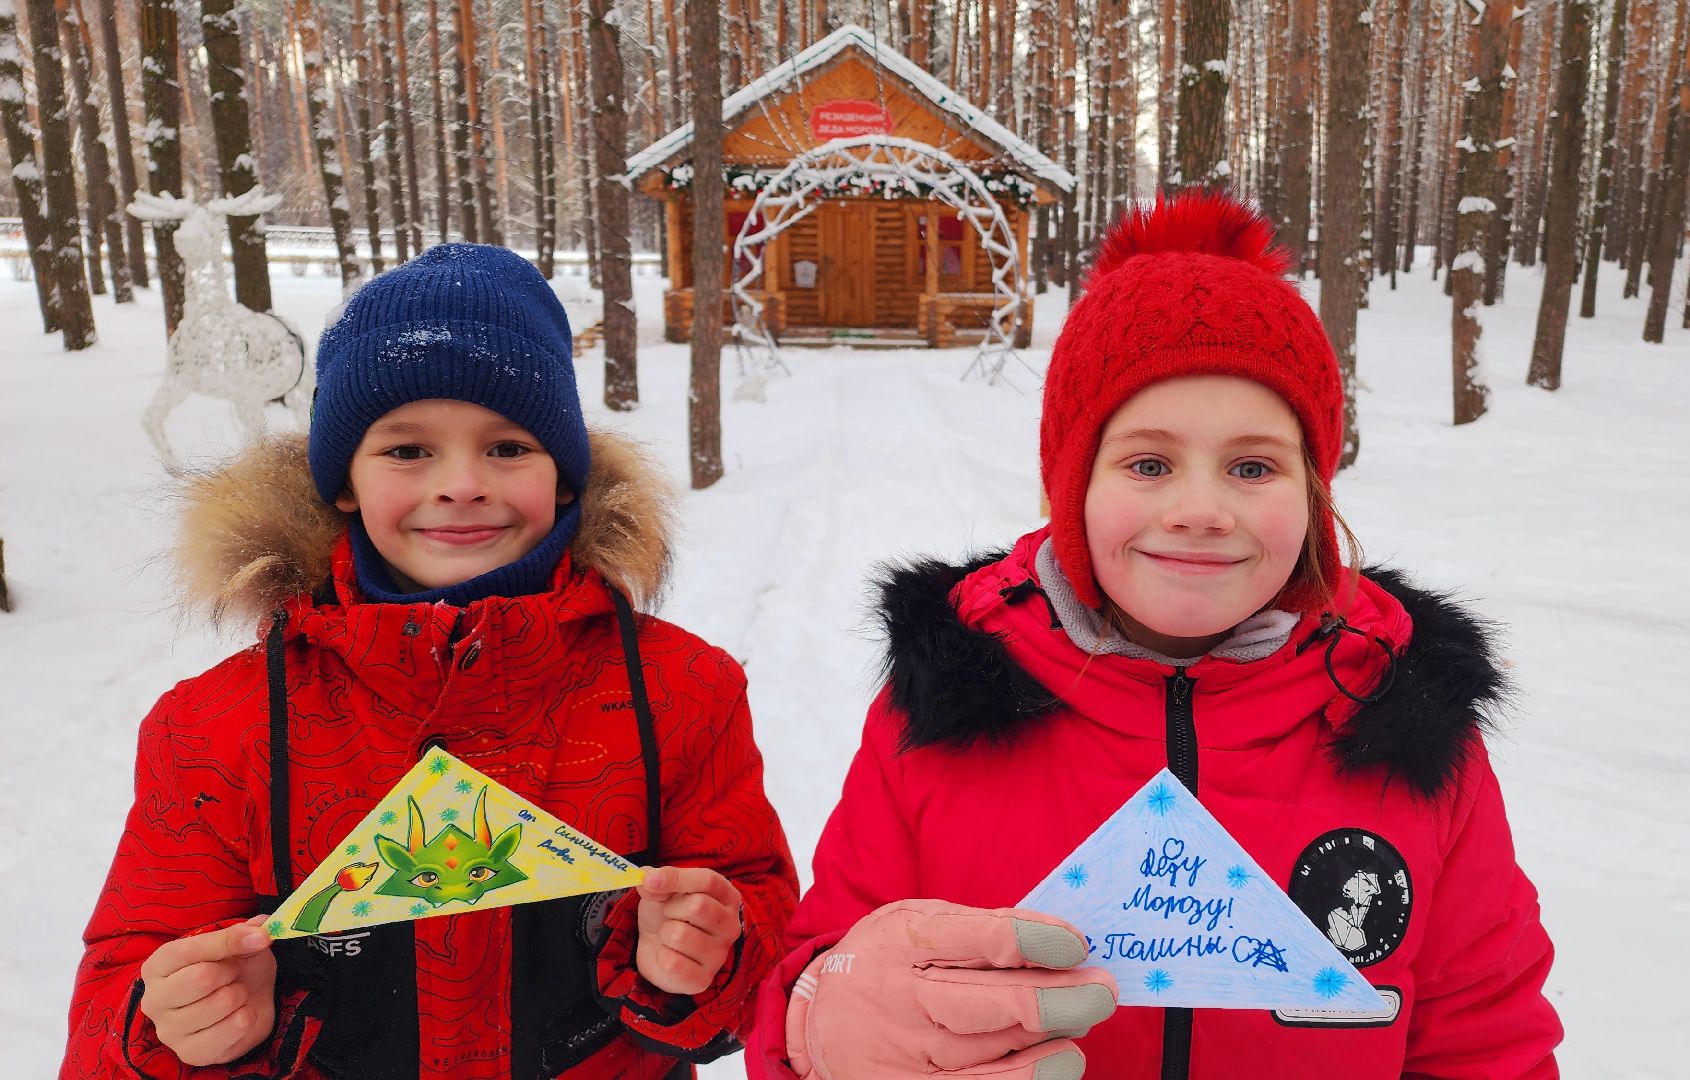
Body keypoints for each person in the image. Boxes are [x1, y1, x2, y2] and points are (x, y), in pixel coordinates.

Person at [750, 192, 1561, 1079]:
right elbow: (825, 966)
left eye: (1252, 466)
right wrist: (825, 1028)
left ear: (1314, 491)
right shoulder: (946, 705)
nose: (1200, 510)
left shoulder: (1408, 724)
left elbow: (1487, 1039)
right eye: (1148, 463)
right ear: (1073, 485)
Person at [62, 244, 798, 1079]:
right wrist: (168, 1029)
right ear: (344, 480)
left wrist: (714, 953)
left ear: (565, 476)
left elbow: (769, 929)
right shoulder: (215, 729)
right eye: (408, 450)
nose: (462, 484)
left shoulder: (682, 691)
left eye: (508, 447)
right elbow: (118, 990)